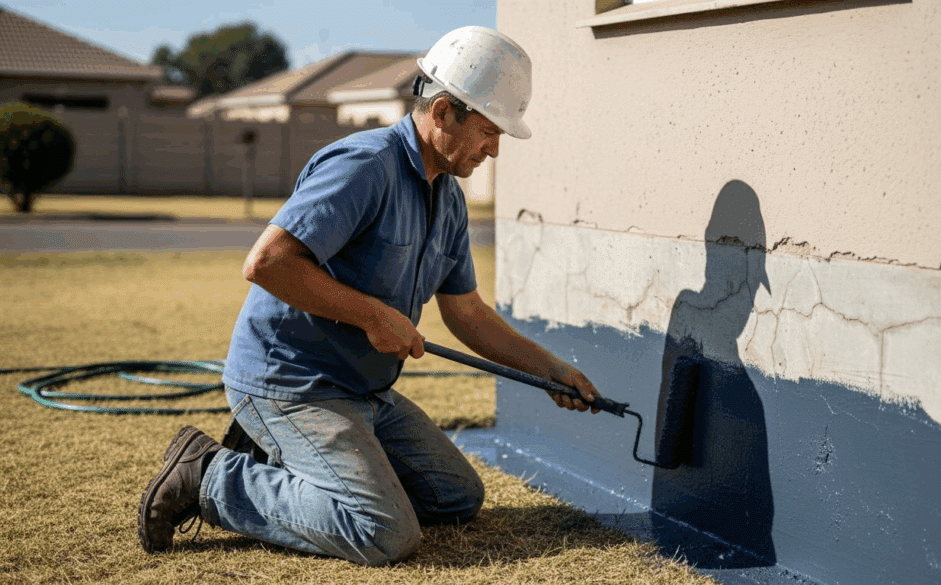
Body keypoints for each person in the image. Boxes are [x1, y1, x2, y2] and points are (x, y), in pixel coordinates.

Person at [137, 26, 602, 566]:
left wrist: (547, 369)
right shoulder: (363, 166)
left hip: (365, 393)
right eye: (489, 130)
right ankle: (211, 476)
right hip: (293, 384)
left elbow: (466, 312)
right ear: (445, 110)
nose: (494, 149)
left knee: (456, 497)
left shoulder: (447, 199)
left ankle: (296, 465)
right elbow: (267, 263)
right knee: (384, 532)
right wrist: (374, 315)